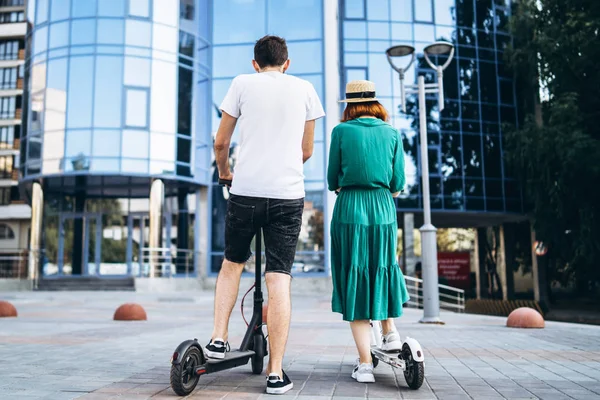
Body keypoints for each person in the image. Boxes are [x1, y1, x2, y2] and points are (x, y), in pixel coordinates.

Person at [207, 35, 325, 395]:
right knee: (279, 279)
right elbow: (306, 150)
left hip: (245, 191)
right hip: (288, 195)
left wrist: (226, 172)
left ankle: (218, 339)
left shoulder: (242, 84)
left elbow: (220, 142)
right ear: (286, 63)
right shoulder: (305, 88)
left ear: (254, 63)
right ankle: (275, 373)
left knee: (232, 263)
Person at [327, 80, 410, 383]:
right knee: (383, 267)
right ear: (375, 103)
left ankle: (364, 365)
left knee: (354, 275)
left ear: (349, 104)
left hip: (349, 207)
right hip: (383, 208)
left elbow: (331, 178)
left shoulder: (341, 132)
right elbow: (398, 181)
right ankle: (389, 332)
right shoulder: (391, 133)